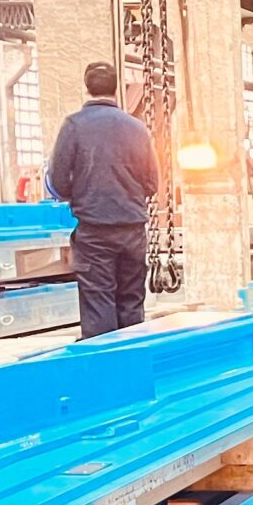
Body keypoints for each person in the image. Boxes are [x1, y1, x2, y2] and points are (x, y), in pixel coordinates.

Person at [46, 61, 160, 337]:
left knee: (99, 303)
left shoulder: (74, 126)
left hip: (94, 230)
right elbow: (152, 183)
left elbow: (58, 180)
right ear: (116, 87)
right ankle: (132, 358)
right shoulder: (137, 128)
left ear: (87, 87)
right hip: (132, 230)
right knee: (131, 302)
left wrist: (82, 194)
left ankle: (104, 360)